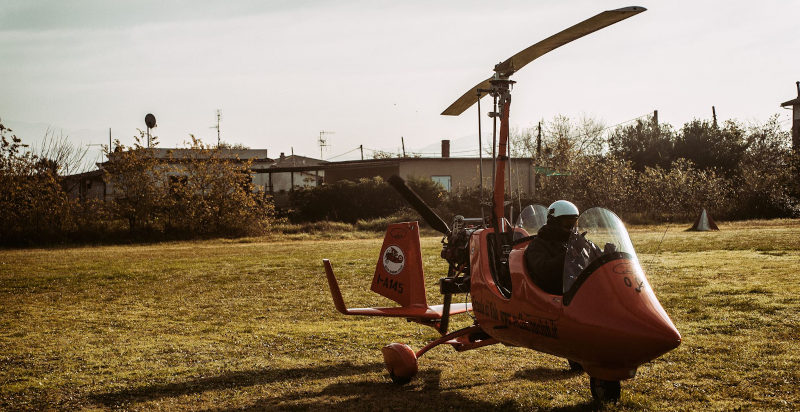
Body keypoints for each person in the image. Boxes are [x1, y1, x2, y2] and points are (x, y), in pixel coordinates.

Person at [523, 200, 580, 295]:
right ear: (554, 222)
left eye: (574, 224)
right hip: (556, 296)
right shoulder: (538, 245)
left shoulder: (575, 241)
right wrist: (569, 255)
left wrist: (606, 253)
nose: (572, 228)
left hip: (578, 290)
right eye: (568, 223)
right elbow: (544, 272)